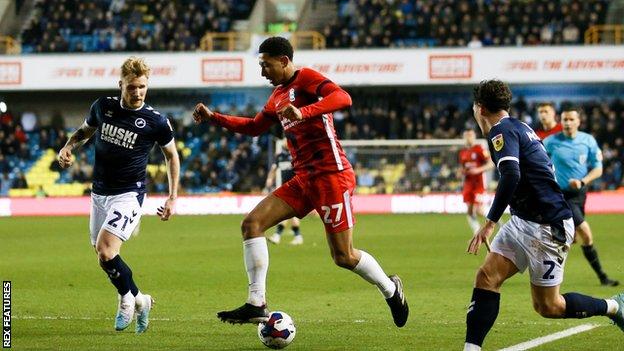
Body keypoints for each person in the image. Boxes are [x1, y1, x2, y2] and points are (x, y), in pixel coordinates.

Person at [193, 36, 408, 327]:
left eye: (266, 65)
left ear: (284, 61)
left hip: (331, 177)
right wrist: (214, 117)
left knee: (343, 256)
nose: (263, 72)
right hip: (303, 179)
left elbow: (343, 98)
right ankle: (257, 303)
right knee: (251, 224)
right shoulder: (277, 96)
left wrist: (304, 111)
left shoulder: (306, 78)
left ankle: (391, 289)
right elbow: (256, 127)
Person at [464, 80, 623, 351]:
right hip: (523, 220)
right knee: (487, 278)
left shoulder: (500, 132)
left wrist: (489, 223)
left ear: (479, 108)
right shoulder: (521, 127)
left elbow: (512, 174)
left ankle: (615, 306)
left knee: (549, 306)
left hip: (548, 226)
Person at [57, 56, 180, 333]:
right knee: (104, 257)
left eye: (142, 87)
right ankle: (140, 299)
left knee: (106, 249)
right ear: (120, 84)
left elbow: (171, 156)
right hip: (99, 192)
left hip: (129, 193)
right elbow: (83, 132)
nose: (137, 92)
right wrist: (67, 148)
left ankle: (125, 299)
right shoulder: (103, 107)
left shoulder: (156, 121)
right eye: (132, 87)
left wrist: (172, 197)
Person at [543, 108, 619, 287]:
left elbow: (598, 169)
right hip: (561, 196)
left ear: (578, 121)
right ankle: (603, 277)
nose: (568, 123)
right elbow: (536, 160)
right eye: (564, 120)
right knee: (585, 232)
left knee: (573, 238)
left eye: (571, 119)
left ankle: (551, 271)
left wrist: (582, 182)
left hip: (580, 194)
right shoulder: (550, 142)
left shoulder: (588, 141)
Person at [265, 140, 303, 245]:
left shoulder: (296, 155)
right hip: (284, 188)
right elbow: (273, 169)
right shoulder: (280, 156)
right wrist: (269, 179)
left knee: (285, 212)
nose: (284, 142)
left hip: (295, 188)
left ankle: (277, 235)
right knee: (291, 213)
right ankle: (298, 236)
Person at [458, 129, 493, 234]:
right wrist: (460, 172)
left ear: (474, 136)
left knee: (479, 210)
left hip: (479, 183)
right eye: (466, 135)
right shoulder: (463, 152)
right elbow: (463, 168)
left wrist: (478, 170)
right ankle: (476, 232)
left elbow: (491, 164)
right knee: (469, 210)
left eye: (470, 135)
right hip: (468, 184)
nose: (469, 137)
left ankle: (498, 221)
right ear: (464, 137)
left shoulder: (479, 149)